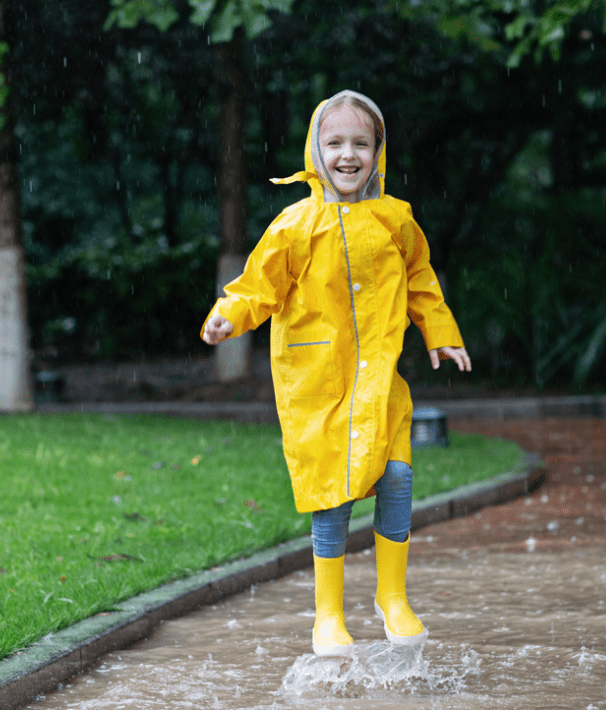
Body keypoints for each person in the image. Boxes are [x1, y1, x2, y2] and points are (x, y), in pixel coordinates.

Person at [201, 90, 471, 657]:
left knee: (396, 476)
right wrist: (228, 314)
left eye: (361, 144)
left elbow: (420, 280)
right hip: (317, 382)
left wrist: (440, 333)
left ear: (378, 152)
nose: (348, 155)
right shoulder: (295, 224)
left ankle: (391, 595)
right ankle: (328, 613)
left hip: (379, 380)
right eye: (335, 143)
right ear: (315, 150)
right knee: (333, 494)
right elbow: (259, 286)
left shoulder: (396, 219)